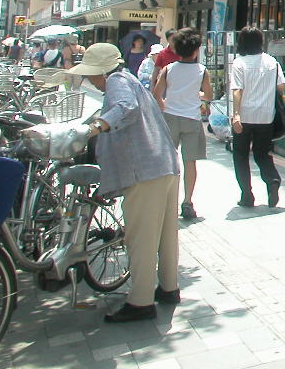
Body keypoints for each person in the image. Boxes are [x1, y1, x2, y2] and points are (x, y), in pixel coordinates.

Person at [75, 43, 181, 323]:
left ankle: (141, 301)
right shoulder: (131, 79)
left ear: (101, 72)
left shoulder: (117, 81)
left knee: (142, 238)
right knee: (166, 234)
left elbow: (125, 107)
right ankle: (169, 288)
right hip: (164, 164)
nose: (91, 81)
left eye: (91, 75)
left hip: (145, 170)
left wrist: (97, 126)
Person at [152, 29, 212, 220]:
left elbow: (157, 94)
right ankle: (187, 201)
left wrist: (164, 108)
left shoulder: (168, 69)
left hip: (170, 117)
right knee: (190, 162)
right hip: (192, 119)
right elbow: (209, 95)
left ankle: (166, 200)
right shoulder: (202, 71)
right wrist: (198, 95)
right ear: (196, 50)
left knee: (169, 161)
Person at [229, 26, 285, 208]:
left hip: (245, 115)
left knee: (240, 155)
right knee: (262, 154)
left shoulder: (239, 63)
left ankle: (247, 195)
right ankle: (273, 180)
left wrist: (236, 114)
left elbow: (237, 90)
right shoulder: (272, 62)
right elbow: (281, 88)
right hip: (266, 116)